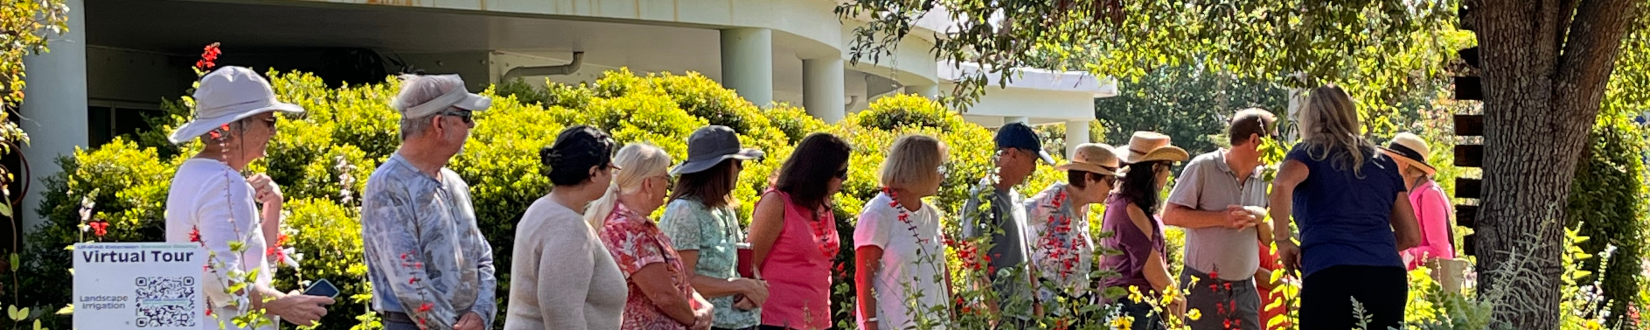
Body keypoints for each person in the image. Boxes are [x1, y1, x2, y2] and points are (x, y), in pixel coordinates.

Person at [165, 66, 335, 330]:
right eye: (269, 121)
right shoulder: (226, 183)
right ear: (234, 129)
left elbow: (253, 267)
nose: (274, 132)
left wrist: (272, 206)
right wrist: (282, 304)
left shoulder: (192, 172)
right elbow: (218, 278)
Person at [1269, 85, 1422, 330]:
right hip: (1386, 276)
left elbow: (1281, 184)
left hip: (1329, 272)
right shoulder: (1383, 163)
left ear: (1308, 117)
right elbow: (1411, 235)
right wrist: (1369, 244)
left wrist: (1283, 239)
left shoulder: (1308, 153)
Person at [361, 74, 497, 330]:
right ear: (439, 123)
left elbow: (482, 257)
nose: (472, 126)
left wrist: (481, 313)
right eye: (466, 117)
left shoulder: (454, 182)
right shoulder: (389, 184)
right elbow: (409, 282)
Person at [1162, 109, 1277, 330]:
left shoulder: (1265, 177)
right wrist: (1221, 219)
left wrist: (1262, 218)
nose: (1277, 148)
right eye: (1275, 139)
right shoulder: (1203, 166)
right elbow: (1170, 215)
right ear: (1255, 140)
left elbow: (1269, 239)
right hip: (1203, 288)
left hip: (1245, 292)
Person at [503, 126, 627, 330]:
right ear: (594, 173)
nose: (613, 175)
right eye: (610, 168)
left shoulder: (544, 208)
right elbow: (561, 314)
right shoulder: (568, 229)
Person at [591, 143, 716, 330]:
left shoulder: (639, 225)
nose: (668, 186)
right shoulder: (626, 230)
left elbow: (674, 280)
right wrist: (694, 320)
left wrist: (702, 306)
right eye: (666, 178)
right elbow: (664, 295)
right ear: (649, 184)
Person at [660, 125, 769, 330]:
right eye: (737, 163)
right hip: (707, 323)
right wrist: (741, 285)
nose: (741, 169)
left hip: (741, 322)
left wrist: (755, 286)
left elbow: (739, 258)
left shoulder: (723, 207)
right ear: (719, 168)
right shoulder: (685, 211)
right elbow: (683, 280)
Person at [748, 133, 852, 330]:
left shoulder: (823, 204)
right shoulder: (776, 203)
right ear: (819, 172)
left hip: (818, 320)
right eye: (841, 173)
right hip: (777, 320)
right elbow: (750, 262)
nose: (845, 179)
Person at [854, 134, 953, 330]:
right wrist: (870, 324)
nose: (944, 175)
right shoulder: (878, 213)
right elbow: (863, 276)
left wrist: (951, 315)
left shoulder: (931, 215)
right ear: (919, 169)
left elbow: (940, 269)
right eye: (940, 168)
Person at [960, 122, 1056, 320]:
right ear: (1012, 154)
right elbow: (974, 260)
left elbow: (1025, 256)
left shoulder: (1014, 197)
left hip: (1021, 312)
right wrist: (992, 313)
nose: (1033, 169)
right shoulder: (983, 198)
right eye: (1032, 159)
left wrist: (1036, 300)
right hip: (1000, 314)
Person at [1100, 132, 1190, 330]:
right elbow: (1156, 276)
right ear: (1155, 168)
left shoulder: (1125, 204)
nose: (1169, 174)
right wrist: (1178, 303)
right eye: (1169, 166)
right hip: (1132, 309)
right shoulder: (1130, 210)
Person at [1025, 143, 1123, 304]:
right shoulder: (1052, 200)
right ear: (1089, 177)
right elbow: (1011, 221)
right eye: (1110, 181)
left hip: (1074, 307)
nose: (1112, 189)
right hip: (1046, 308)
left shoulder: (1084, 205)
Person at [1382, 132, 1455, 270]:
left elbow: (1438, 249)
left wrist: (1402, 253)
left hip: (1430, 283)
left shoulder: (1429, 194)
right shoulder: (1412, 191)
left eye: (1392, 158)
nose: (1386, 162)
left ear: (1405, 164)